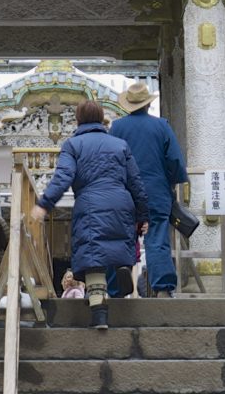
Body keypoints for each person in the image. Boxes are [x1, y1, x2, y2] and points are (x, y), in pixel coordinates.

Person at [31, 100, 149, 330]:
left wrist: (44, 204)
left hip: (90, 204)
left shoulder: (73, 145)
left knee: (94, 260)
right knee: (116, 247)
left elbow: (63, 177)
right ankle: (122, 267)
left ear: (78, 120)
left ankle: (99, 315)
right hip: (121, 202)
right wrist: (143, 216)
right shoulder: (119, 144)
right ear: (102, 118)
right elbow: (136, 182)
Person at [106, 81, 187, 298]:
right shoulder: (162, 126)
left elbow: (111, 162)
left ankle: (116, 288)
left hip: (125, 194)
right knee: (157, 238)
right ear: (147, 105)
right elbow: (175, 161)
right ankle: (162, 288)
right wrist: (171, 181)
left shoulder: (117, 128)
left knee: (121, 238)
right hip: (156, 192)